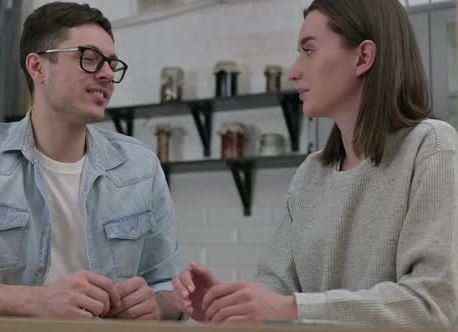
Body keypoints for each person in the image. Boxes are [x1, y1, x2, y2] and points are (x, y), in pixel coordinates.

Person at [172, 0, 458, 327]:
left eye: (309, 50)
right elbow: (275, 296)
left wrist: (291, 308)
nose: (294, 70)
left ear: (363, 57)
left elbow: (433, 306)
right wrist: (227, 308)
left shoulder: (431, 146)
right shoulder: (312, 173)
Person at [0, 2, 181, 320]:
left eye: (112, 65)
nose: (106, 74)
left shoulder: (142, 167)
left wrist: (156, 305)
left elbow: (168, 286)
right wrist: (35, 301)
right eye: (89, 59)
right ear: (37, 68)